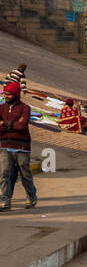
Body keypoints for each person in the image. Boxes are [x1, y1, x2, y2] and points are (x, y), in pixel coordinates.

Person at [0, 81, 36, 211]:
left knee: (25, 174)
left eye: (9, 94)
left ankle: (31, 196)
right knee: (4, 175)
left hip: (22, 147)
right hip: (4, 146)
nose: (6, 96)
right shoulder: (1, 107)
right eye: (5, 94)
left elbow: (22, 126)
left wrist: (4, 123)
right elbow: (17, 125)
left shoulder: (25, 108)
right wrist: (13, 123)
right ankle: (5, 202)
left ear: (15, 94)